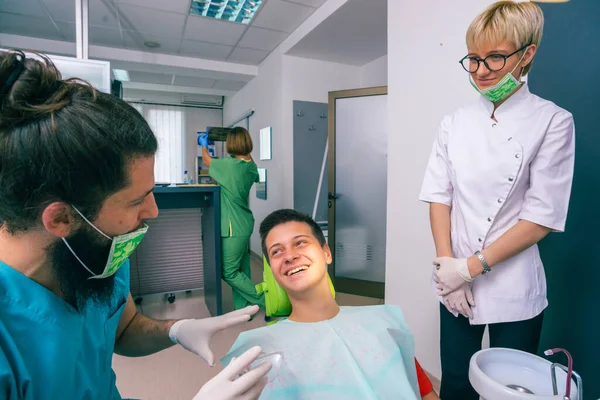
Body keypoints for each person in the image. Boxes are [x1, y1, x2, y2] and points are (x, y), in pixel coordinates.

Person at [0, 50, 270, 400]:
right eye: (136, 200)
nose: (154, 211)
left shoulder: (97, 255)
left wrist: (175, 329)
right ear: (61, 218)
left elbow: (122, 329)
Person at [418, 2, 575, 399]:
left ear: (528, 54)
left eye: (495, 57)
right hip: (453, 277)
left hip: (514, 285)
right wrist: (447, 268)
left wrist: (470, 268)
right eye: (473, 59)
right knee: (455, 380)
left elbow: (541, 217)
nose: (482, 71)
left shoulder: (552, 121)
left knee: (509, 389)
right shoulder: (454, 122)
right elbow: (439, 195)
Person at [223, 209, 440, 400]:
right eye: (277, 252)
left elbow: (425, 392)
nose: (289, 256)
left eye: (300, 242)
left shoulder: (382, 325)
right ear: (273, 270)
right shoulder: (263, 354)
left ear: (326, 253)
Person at [199, 128, 265, 311]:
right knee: (242, 269)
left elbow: (206, 161)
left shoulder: (231, 166)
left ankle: (267, 301)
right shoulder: (250, 165)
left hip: (233, 227)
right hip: (243, 224)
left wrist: (203, 146)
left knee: (228, 272)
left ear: (231, 144)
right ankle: (245, 310)